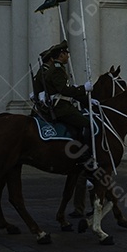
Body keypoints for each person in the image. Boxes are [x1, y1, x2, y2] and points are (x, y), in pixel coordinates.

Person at [39, 40, 95, 168]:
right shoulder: (57, 70)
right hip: (61, 108)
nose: (68, 56)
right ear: (61, 54)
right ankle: (85, 157)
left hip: (63, 105)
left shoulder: (58, 69)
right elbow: (63, 90)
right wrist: (83, 88)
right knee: (87, 123)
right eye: (66, 54)